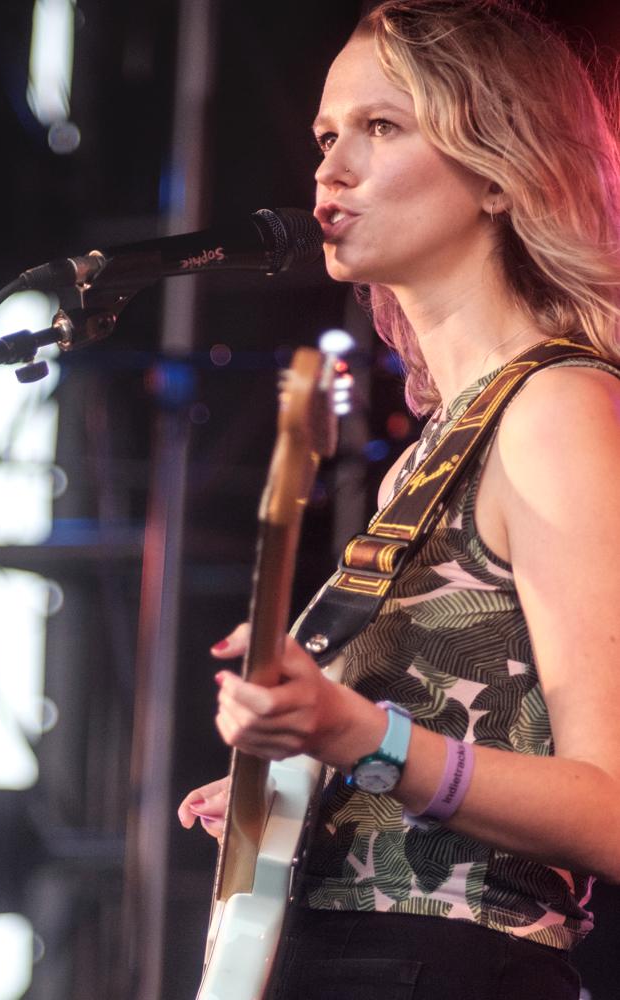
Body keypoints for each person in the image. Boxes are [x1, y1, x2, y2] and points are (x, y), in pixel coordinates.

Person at [178, 2, 620, 997]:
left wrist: (356, 736)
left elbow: (611, 805)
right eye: (327, 135)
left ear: (500, 168)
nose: (331, 170)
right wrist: (302, 787)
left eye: (381, 128)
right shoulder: (424, 456)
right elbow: (460, 744)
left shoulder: (556, 411)